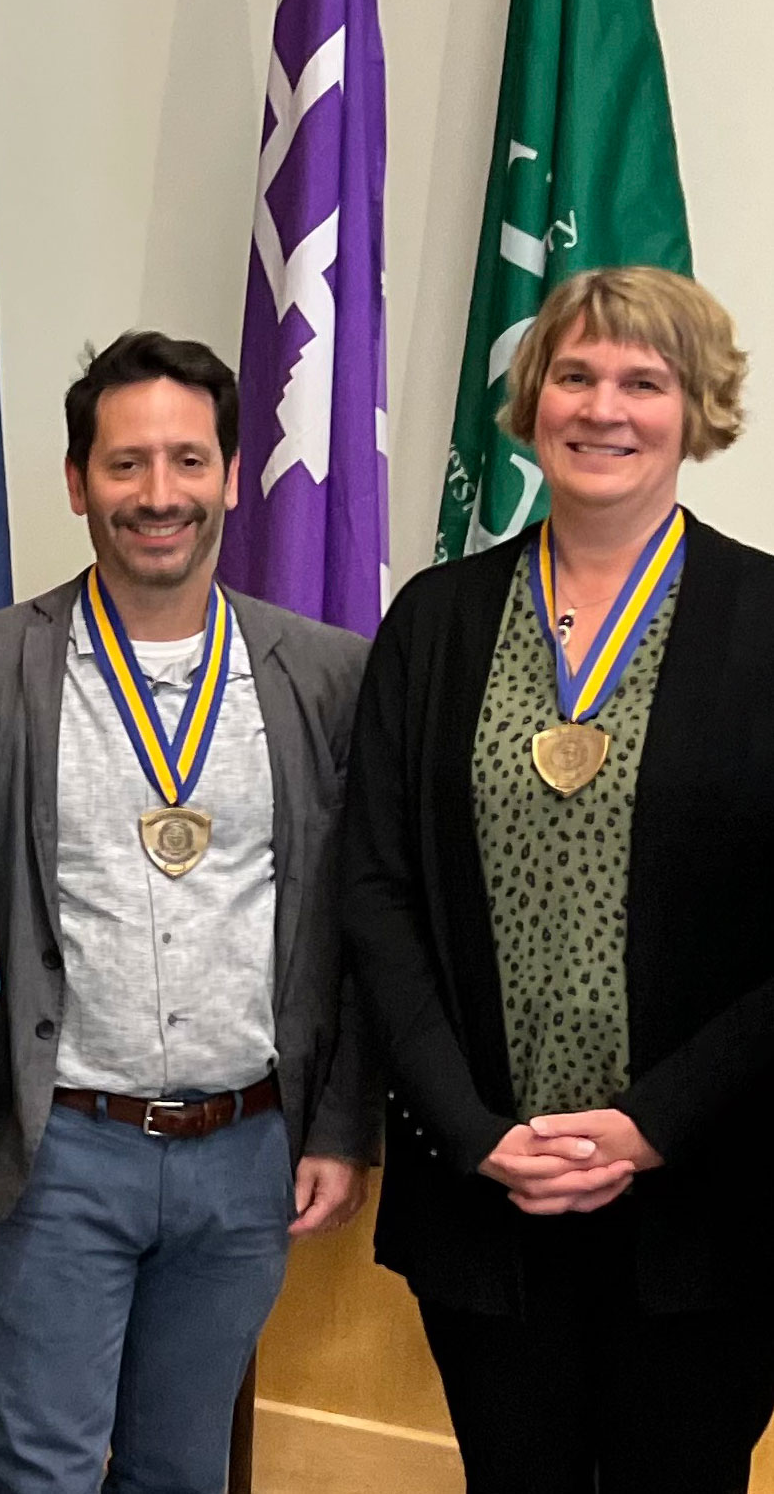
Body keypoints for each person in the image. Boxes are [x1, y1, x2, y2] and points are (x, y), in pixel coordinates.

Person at [343, 266, 774, 1493]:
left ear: (696, 409)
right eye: (574, 375)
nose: (604, 406)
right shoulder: (434, 620)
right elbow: (375, 891)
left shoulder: (764, 618)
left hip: (711, 1194)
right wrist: (476, 1133)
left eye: (644, 380)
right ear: (531, 402)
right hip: (491, 1188)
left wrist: (652, 1125)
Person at [0, 330, 377, 1494]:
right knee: (39, 1470)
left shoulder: (324, 676)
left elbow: (353, 919)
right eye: (125, 465)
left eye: (187, 461)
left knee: (181, 1471)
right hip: (57, 1144)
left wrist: (334, 1126)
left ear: (232, 474)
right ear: (76, 482)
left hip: (245, 1154)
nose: (158, 494)